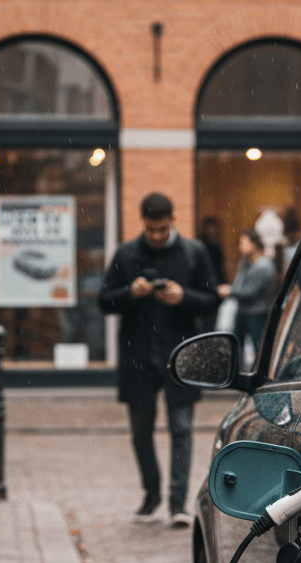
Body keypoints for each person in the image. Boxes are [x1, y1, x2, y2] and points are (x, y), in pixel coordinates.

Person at [99, 192, 219, 526]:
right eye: (151, 230)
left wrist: (183, 297)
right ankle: (151, 494)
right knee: (141, 431)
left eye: (162, 229)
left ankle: (177, 504)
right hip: (138, 357)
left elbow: (211, 300)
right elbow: (103, 302)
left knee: (182, 429)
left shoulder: (194, 252)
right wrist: (130, 293)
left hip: (180, 355)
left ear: (172, 220)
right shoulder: (126, 253)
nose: (156, 236)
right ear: (143, 223)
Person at [218, 228, 277, 370]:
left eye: (243, 243)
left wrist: (229, 291)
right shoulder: (247, 263)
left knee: (259, 348)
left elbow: (249, 292)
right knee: (236, 345)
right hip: (244, 312)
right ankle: (238, 374)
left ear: (254, 244)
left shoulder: (263, 265)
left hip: (256, 314)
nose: (240, 247)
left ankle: (259, 374)